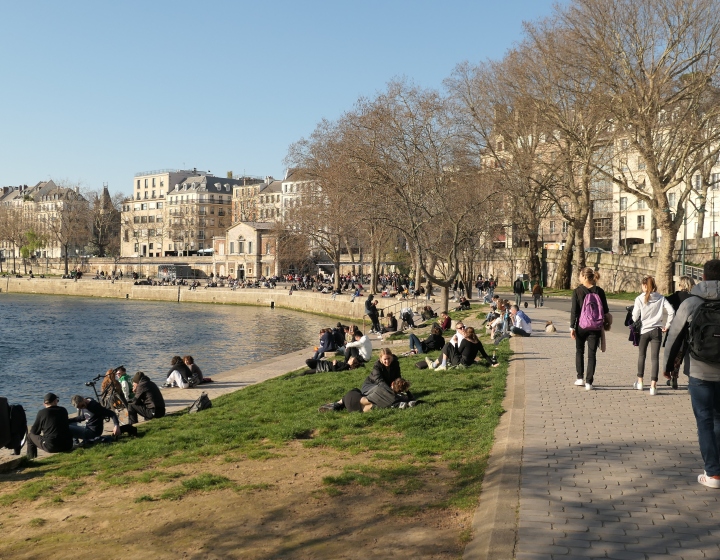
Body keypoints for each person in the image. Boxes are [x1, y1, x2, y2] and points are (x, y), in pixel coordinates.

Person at [664, 259, 720, 489]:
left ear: (703, 278)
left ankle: (713, 473)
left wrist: (668, 368)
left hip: (699, 371)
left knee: (705, 421)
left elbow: (674, 338)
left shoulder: (691, 302)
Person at [631, 275, 675, 396]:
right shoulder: (661, 298)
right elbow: (671, 311)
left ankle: (640, 382)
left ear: (644, 285)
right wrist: (667, 325)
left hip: (644, 330)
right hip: (657, 330)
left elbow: (634, 317)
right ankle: (653, 386)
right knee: (654, 358)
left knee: (642, 355)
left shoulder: (639, 299)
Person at [569, 268, 609, 391]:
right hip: (595, 327)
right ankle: (589, 382)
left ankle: (580, 378)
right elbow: (606, 310)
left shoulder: (577, 291)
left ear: (585, 277)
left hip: (581, 326)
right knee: (592, 355)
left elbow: (574, 311)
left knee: (579, 351)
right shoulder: (600, 291)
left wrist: (572, 327)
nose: (579, 278)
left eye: (580, 276)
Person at [664, 276, 696, 389]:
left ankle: (674, 377)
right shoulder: (694, 297)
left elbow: (664, 301)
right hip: (691, 330)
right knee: (690, 356)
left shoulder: (676, 295)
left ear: (681, 284)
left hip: (677, 328)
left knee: (676, 354)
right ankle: (691, 379)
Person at [69, 395, 136, 442]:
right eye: (80, 408)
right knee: (69, 423)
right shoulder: (84, 406)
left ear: (83, 399)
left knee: (68, 427)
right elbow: (83, 417)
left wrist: (116, 425)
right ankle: (76, 441)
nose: (82, 408)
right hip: (87, 428)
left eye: (82, 406)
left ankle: (75, 443)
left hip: (93, 432)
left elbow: (111, 414)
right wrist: (68, 420)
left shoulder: (94, 406)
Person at [26, 393, 73, 459]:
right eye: (57, 400)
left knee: (29, 436)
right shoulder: (63, 410)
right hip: (68, 445)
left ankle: (31, 459)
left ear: (45, 403)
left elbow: (34, 431)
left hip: (52, 446)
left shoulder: (42, 412)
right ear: (54, 401)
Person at [426, 327, 497, 370]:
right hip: (469, 362)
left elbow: (458, 352)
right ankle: (434, 364)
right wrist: (492, 363)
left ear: (466, 333)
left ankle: (440, 365)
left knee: (448, 345)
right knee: (447, 351)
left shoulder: (465, 341)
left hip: (460, 362)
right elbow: (484, 354)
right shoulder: (477, 342)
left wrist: (456, 343)